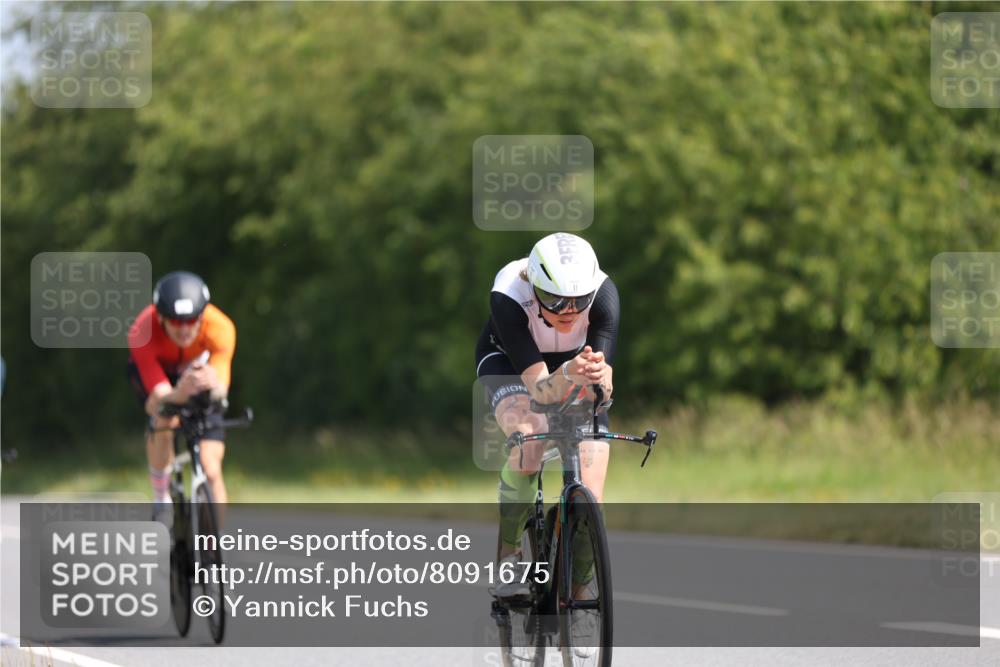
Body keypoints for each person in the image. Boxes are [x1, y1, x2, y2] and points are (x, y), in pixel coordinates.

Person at [476, 233, 619, 598]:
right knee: (530, 435)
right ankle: (509, 556)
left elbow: (601, 389)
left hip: (572, 364)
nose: (570, 310)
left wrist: (602, 381)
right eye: (556, 300)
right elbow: (540, 390)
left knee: (593, 490)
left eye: (579, 300)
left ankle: (582, 595)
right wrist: (570, 372)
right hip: (511, 363)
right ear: (535, 286)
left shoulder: (603, 294)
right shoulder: (509, 294)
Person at [126, 271, 236, 520]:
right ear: (161, 318)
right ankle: (161, 498)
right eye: (176, 321)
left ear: (202, 316)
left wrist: (211, 384)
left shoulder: (221, 328)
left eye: (191, 320)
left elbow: (221, 390)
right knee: (163, 419)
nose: (184, 328)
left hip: (201, 376)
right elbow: (159, 395)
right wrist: (179, 393)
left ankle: (217, 540)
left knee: (211, 467)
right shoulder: (142, 332)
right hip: (162, 380)